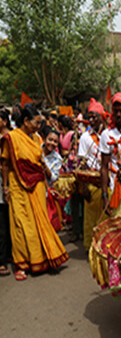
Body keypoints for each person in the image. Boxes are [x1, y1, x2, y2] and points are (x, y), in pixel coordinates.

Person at [1, 105, 68, 281]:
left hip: (37, 184)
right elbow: (5, 164)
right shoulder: (12, 138)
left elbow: (38, 162)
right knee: (21, 225)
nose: (39, 126)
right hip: (18, 185)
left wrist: (47, 186)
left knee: (39, 221)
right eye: (36, 122)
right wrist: (5, 187)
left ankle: (41, 258)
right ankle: (22, 264)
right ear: (25, 121)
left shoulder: (36, 138)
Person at [78, 98, 105, 251]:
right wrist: (83, 186)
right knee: (91, 219)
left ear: (102, 117)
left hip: (108, 183)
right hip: (92, 182)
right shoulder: (85, 137)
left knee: (106, 218)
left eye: (95, 116)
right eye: (90, 116)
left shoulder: (108, 135)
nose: (92, 120)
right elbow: (81, 162)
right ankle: (91, 249)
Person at [0, 109, 11, 276]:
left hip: (9, 184)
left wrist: (7, 185)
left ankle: (7, 256)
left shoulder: (11, 138)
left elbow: (6, 164)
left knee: (8, 221)